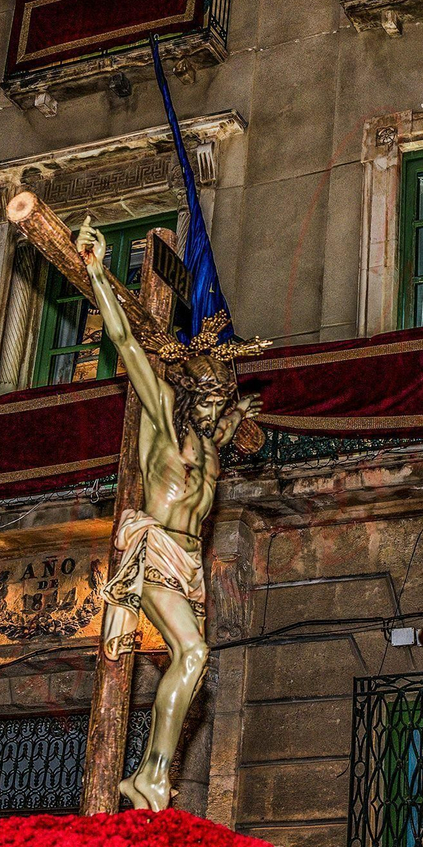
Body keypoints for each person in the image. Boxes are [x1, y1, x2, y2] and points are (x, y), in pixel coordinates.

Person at [77, 219, 260, 812]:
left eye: (222, 396)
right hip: (154, 549)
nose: (214, 402)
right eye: (206, 391)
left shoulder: (212, 441)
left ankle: (150, 774)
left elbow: (232, 426)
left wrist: (236, 421)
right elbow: (127, 343)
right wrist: (98, 272)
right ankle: (151, 775)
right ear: (189, 388)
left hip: (189, 561)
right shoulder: (162, 420)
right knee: (194, 654)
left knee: (196, 663)